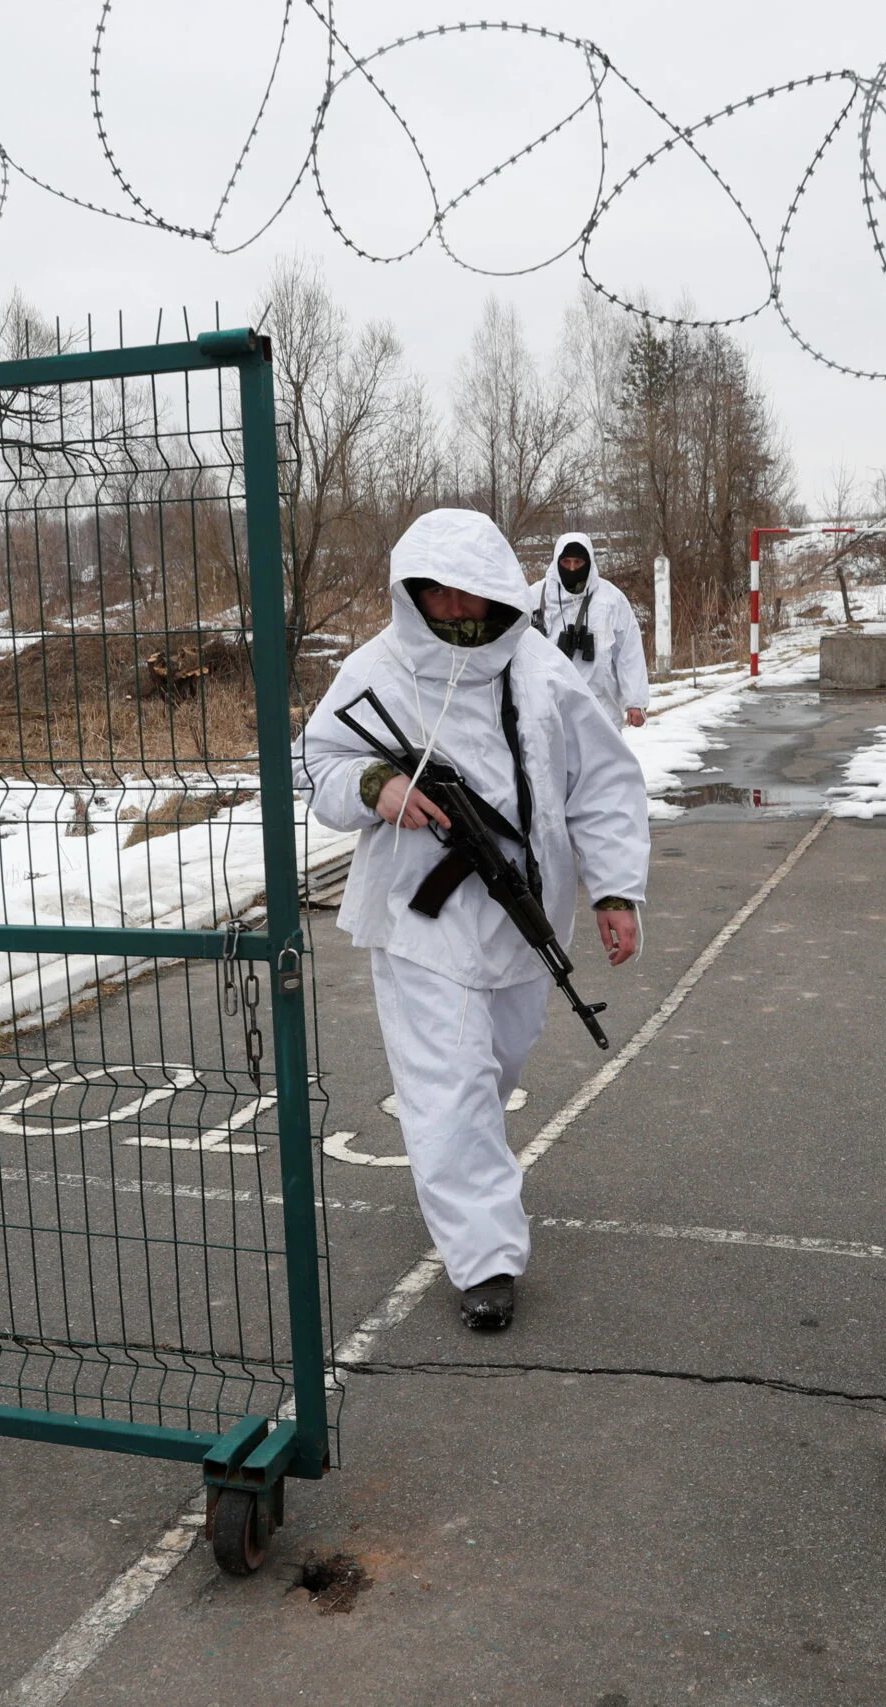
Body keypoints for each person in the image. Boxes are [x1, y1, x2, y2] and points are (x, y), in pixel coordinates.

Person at [300, 508, 652, 1332]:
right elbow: (318, 759)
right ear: (412, 591)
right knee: (449, 1083)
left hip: (525, 912)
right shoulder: (377, 668)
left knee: (492, 1068)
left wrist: (614, 889)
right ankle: (486, 1258)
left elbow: (602, 783)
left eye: (470, 594)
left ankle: (457, 1169)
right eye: (438, 594)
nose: (456, 611)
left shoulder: (541, 671)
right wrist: (375, 787)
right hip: (419, 916)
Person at [537, 532, 651, 728]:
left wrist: (635, 701)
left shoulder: (610, 598)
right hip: (549, 708)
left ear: (589, 562)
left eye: (578, 562)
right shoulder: (537, 597)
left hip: (600, 708)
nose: (572, 568)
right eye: (566, 562)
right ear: (556, 561)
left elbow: (629, 650)